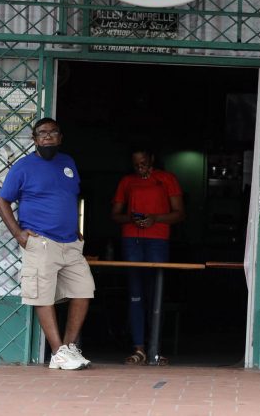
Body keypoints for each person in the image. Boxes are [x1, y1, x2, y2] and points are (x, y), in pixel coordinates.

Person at [0, 117, 95, 371]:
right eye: (42, 133)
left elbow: (68, 197)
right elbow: (2, 201)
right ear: (35, 139)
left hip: (70, 243)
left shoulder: (68, 163)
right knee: (42, 295)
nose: (48, 136)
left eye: (53, 132)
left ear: (60, 137)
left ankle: (69, 349)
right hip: (40, 241)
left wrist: (76, 228)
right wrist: (19, 234)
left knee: (84, 290)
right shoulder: (23, 167)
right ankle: (57, 352)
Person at [111, 148, 185, 365]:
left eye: (143, 162)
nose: (140, 167)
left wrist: (155, 218)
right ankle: (139, 348)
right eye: (136, 164)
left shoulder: (166, 179)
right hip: (131, 239)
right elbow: (115, 215)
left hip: (157, 239)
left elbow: (180, 213)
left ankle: (155, 348)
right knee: (135, 293)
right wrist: (130, 219)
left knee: (156, 293)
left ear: (152, 158)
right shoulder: (127, 181)